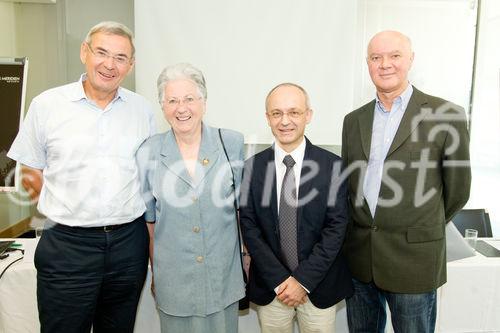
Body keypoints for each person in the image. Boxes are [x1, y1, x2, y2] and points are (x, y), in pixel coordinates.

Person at [7, 21, 155, 332]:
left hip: (128, 244)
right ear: (84, 52)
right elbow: (30, 169)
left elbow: (149, 172)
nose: (109, 64)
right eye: (101, 52)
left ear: (131, 64)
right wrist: (63, 207)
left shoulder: (142, 110)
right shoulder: (47, 105)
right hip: (68, 245)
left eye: (120, 57)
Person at [341, 30, 471, 333]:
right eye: (376, 57)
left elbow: (458, 190)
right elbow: (350, 187)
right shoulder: (353, 120)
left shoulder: (446, 115)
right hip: (361, 259)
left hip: (414, 259)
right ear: (368, 64)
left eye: (394, 55)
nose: (384, 64)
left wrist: (420, 225)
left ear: (410, 60)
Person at [136, 63, 245, 333]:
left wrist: (246, 257)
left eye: (189, 99)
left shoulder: (230, 143)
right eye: (172, 100)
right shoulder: (148, 151)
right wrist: (156, 273)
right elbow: (150, 223)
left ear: (204, 103)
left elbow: (242, 211)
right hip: (174, 281)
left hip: (222, 277)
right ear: (163, 107)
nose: (181, 108)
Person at [239, 83, 353, 333]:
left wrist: (302, 281)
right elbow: (249, 227)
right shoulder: (252, 168)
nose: (285, 121)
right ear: (267, 117)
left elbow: (336, 229)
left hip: (318, 287)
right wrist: (281, 281)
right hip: (273, 288)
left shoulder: (333, 166)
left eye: (294, 112)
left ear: (308, 115)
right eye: (277, 113)